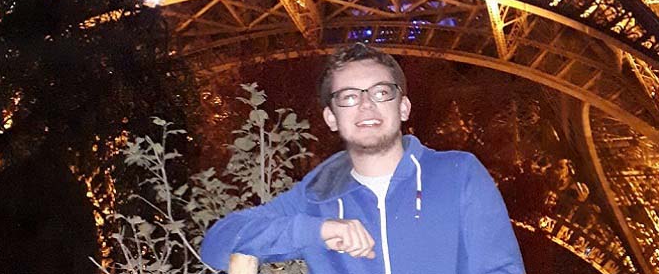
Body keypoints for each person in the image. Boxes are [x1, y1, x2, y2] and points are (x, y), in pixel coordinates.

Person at [200, 43, 526, 274]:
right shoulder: (317, 195)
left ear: (403, 107)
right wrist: (320, 231)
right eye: (349, 97)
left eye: (381, 92)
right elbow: (218, 243)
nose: (366, 105)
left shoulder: (458, 174)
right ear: (331, 118)